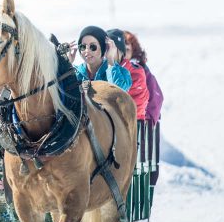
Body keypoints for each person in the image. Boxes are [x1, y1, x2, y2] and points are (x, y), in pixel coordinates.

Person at [124, 30, 164, 206]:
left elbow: (155, 99)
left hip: (140, 127)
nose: (124, 51)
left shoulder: (140, 71)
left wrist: (144, 120)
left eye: (127, 47)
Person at [70, 25, 131, 91]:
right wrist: (67, 65)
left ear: (103, 48)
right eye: (83, 47)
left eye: (93, 46)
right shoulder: (75, 73)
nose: (87, 51)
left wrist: (110, 60)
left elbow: (118, 94)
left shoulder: (122, 73)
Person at [107, 28, 149, 121]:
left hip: (133, 126)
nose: (107, 53)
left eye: (111, 48)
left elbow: (117, 92)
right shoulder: (105, 69)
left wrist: (111, 63)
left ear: (121, 51)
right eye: (105, 48)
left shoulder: (136, 72)